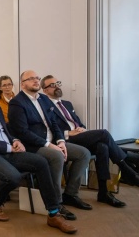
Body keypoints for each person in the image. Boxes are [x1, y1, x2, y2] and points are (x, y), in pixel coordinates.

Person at [0, 75, 77, 233]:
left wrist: (15, 140)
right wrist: (9, 148)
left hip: (6, 149)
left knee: (41, 162)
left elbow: (5, 131)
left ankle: (53, 213)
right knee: (14, 177)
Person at [41, 75, 139, 207]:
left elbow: (78, 123)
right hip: (64, 140)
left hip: (79, 136)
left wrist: (82, 129)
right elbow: (49, 130)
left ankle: (103, 192)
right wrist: (68, 133)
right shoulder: (44, 107)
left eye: (57, 83)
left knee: (102, 146)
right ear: (45, 90)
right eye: (52, 85)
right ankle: (126, 168)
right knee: (103, 133)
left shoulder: (67, 104)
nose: (56, 86)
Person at [8, 70, 91, 218]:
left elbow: (54, 123)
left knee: (83, 154)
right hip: (33, 145)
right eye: (31, 78)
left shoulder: (44, 99)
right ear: (22, 84)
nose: (35, 81)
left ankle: (70, 194)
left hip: (52, 142)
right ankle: (56, 203)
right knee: (56, 156)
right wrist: (49, 145)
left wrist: (61, 142)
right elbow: (22, 132)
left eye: (37, 78)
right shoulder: (17, 102)